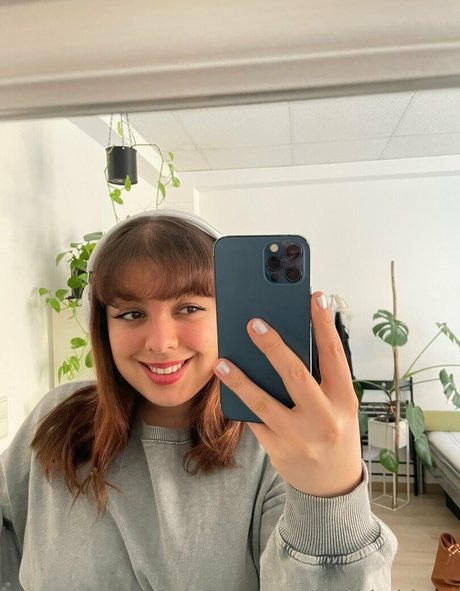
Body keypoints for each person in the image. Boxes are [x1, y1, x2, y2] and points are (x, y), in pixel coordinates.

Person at [0, 210, 397, 590]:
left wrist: (330, 505)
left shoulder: (275, 446)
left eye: (189, 308)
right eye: (131, 314)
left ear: (226, 315)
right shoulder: (57, 415)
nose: (161, 342)